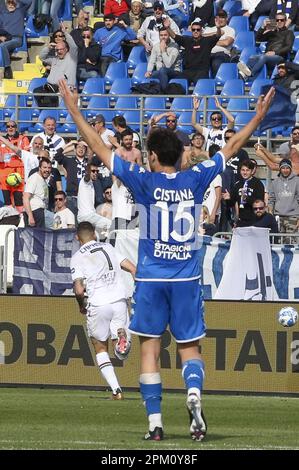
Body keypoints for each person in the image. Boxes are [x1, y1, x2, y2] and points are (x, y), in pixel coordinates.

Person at [59, 78, 274, 441]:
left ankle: (155, 424)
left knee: (150, 351)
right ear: (181, 155)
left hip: (151, 278)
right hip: (186, 278)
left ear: (154, 157)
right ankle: (193, 394)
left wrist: (75, 111)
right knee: (190, 348)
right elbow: (234, 146)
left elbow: (98, 147)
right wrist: (256, 118)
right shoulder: (196, 177)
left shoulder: (143, 179)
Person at [70, 221, 136, 399]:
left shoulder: (77, 257)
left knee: (99, 348)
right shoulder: (108, 247)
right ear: (94, 234)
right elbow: (132, 268)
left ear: (78, 238)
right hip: (119, 300)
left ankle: (116, 390)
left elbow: (78, 289)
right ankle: (121, 338)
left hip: (98, 303)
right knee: (121, 353)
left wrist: (81, 305)